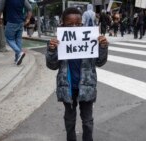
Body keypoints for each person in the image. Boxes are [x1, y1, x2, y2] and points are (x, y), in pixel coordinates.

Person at [46, 7, 108, 141]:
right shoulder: (58, 42)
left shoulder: (90, 39)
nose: (75, 27)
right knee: (69, 120)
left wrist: (103, 47)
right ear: (62, 25)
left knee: (87, 121)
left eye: (78, 24)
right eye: (70, 24)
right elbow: (52, 65)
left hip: (87, 87)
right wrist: (51, 50)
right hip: (67, 88)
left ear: (82, 24)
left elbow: (100, 62)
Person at [0, 0, 32, 65]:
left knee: (9, 39)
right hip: (21, 22)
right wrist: (28, 19)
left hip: (11, 21)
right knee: (18, 39)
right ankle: (17, 59)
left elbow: (0, 9)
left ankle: (19, 53)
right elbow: (30, 8)